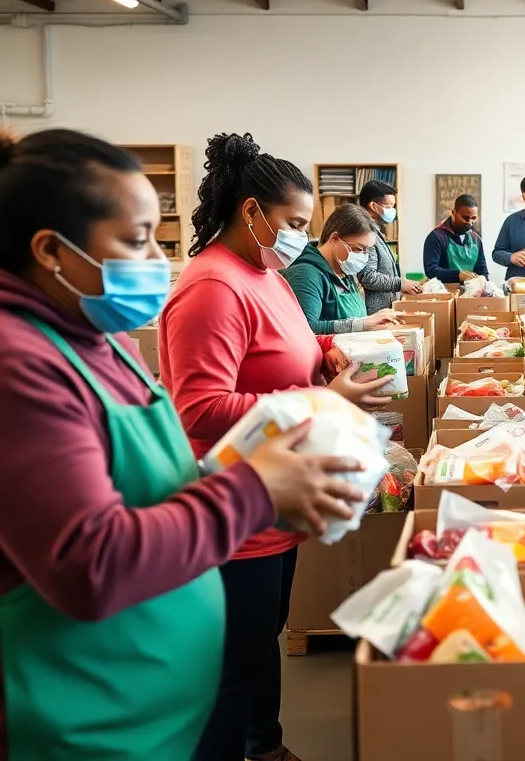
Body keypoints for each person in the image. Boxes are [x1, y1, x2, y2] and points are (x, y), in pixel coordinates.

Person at [0, 128, 368, 761]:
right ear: (51, 251)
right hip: (57, 727)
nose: (158, 262)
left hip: (131, 714)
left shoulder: (89, 339)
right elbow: (89, 564)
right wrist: (253, 488)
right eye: (135, 242)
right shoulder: (3, 364)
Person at [160, 133, 387, 761]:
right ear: (252, 211)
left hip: (275, 497)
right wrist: (319, 402)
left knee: (265, 636)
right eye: (291, 223)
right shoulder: (212, 286)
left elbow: (296, 344)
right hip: (237, 504)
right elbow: (199, 407)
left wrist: (327, 354)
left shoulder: (267, 274)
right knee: (233, 661)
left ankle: (265, 743)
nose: (298, 238)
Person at [285, 203, 404, 334]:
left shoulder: (344, 270)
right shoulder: (306, 274)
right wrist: (363, 324)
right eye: (358, 249)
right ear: (335, 238)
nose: (362, 256)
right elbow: (307, 329)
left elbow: (351, 319)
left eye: (366, 251)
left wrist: (372, 319)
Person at [356, 179, 421, 312]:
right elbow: (367, 276)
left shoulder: (376, 231)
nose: (392, 211)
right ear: (374, 206)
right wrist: (399, 284)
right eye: (389, 206)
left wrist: (403, 282)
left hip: (386, 308)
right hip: (376, 310)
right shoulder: (366, 235)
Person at [422, 194, 488, 284]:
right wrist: (458, 275)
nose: (469, 222)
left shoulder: (476, 240)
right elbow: (431, 271)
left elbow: (483, 271)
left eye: (473, 218)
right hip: (444, 293)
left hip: (471, 293)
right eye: (465, 218)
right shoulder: (436, 237)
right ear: (453, 213)